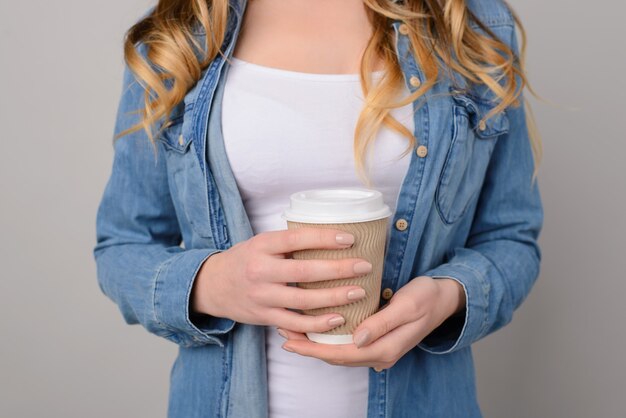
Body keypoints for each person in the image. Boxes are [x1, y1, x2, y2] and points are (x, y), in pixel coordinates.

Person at [93, 0, 543, 417]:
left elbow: (511, 238)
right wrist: (212, 283)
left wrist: (449, 296)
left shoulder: (471, 22)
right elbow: (123, 246)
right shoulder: (180, 32)